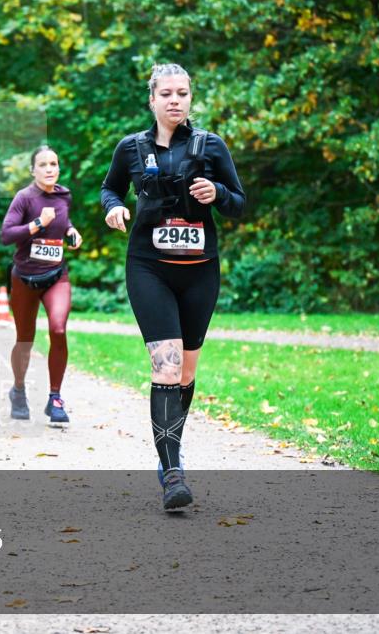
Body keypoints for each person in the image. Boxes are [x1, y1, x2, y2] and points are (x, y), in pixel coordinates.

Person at [100, 64, 245, 510]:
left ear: (190, 98)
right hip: (149, 268)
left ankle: (170, 454)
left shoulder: (210, 146)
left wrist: (216, 194)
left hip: (200, 270)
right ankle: (173, 470)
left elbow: (239, 205)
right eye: (166, 94)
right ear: (152, 100)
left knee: (185, 372)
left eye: (182, 93)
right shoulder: (131, 147)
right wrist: (114, 209)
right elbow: (109, 190)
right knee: (165, 364)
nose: (175, 101)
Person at [0, 145, 83, 424]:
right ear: (33, 170)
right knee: (25, 340)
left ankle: (55, 397)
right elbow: (6, 235)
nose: (49, 169)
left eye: (54, 164)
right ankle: (19, 391)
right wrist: (36, 223)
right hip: (24, 277)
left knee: (58, 329)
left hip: (56, 275)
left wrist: (70, 230)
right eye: (43, 165)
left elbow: (63, 219)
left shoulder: (64, 195)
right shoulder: (25, 198)